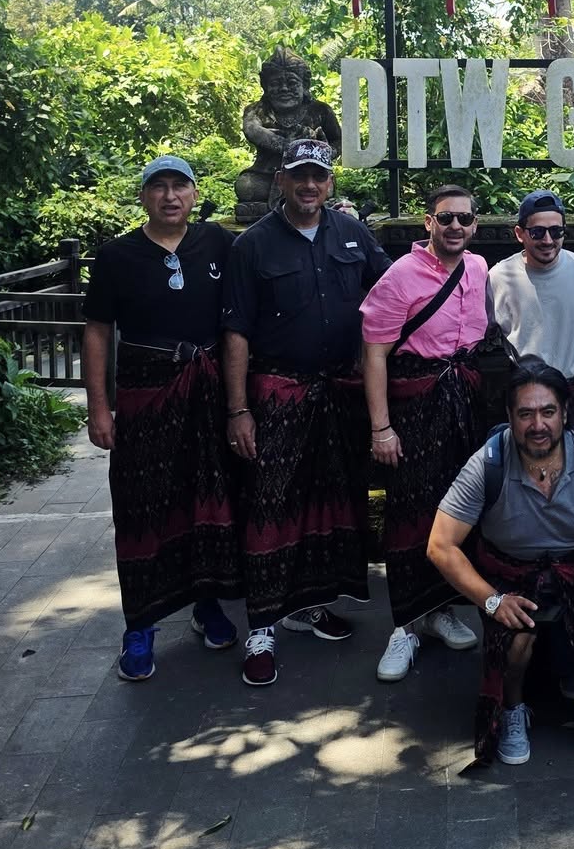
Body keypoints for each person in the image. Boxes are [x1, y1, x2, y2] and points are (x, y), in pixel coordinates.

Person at [221, 138, 390, 686]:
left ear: (330, 182)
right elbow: (236, 332)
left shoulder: (351, 234)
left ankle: (310, 604)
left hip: (340, 391)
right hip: (278, 392)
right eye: (299, 176)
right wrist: (239, 409)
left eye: (318, 176)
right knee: (270, 503)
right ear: (282, 181)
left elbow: (392, 294)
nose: (309, 185)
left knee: (330, 500)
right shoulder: (253, 244)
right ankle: (262, 625)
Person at [427, 359, 574, 768]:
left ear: (565, 413)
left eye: (547, 411)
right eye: (525, 414)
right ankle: (513, 708)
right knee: (516, 640)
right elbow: (440, 545)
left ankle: (571, 666)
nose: (537, 424)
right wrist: (492, 601)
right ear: (510, 417)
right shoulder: (487, 464)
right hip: (510, 578)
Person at [82, 156, 241, 682]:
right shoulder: (116, 255)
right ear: (144, 196)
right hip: (145, 396)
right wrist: (98, 407)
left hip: (207, 394)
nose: (170, 196)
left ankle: (206, 603)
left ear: (194, 194)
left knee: (209, 499)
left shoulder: (218, 244)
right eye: (159, 187)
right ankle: (140, 624)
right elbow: (98, 331)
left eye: (180, 186)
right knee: (142, 506)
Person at [362, 183, 494, 683]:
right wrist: (382, 428)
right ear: (429, 223)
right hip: (415, 407)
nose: (455, 226)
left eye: (464, 218)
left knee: (457, 508)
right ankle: (404, 624)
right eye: (446, 218)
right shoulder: (401, 275)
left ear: (475, 225)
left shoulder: (478, 268)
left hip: (464, 404)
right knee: (409, 509)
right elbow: (374, 353)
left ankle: (440, 611)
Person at [487, 190, 574, 415]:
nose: (548, 240)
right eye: (537, 232)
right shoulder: (498, 277)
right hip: (525, 391)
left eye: (556, 231)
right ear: (520, 233)